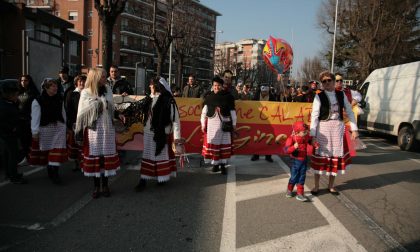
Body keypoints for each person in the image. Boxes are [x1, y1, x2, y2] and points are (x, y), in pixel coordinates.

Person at [75, 68, 124, 198]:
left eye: (105, 76)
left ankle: (106, 185)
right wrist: (101, 104)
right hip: (93, 130)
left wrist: (118, 114)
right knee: (96, 158)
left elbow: (111, 107)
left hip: (107, 128)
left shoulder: (107, 89)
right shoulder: (86, 92)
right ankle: (96, 186)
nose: (105, 78)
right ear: (95, 77)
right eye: (103, 76)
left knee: (105, 158)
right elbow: (82, 112)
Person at [310, 71, 359, 195]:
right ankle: (316, 185)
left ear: (333, 81)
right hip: (323, 129)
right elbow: (314, 116)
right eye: (324, 81)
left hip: (337, 128)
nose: (326, 83)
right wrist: (312, 135)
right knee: (320, 156)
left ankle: (331, 186)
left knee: (334, 157)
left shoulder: (341, 94)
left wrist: (354, 129)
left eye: (329, 80)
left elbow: (349, 111)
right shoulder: (319, 96)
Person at [134, 77, 182, 191]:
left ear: (156, 86)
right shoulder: (148, 99)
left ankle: (162, 177)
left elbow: (175, 120)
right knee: (147, 155)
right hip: (148, 132)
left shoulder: (168, 100)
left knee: (160, 155)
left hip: (161, 133)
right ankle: (143, 179)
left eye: (151, 85)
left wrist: (177, 138)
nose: (149, 87)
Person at [30, 79, 68, 184]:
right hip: (45, 129)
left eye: (56, 86)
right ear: (46, 88)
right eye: (52, 86)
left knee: (57, 151)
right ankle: (50, 170)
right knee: (48, 151)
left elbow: (63, 113)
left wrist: (65, 126)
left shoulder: (60, 98)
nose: (55, 88)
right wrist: (35, 132)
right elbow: (35, 117)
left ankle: (55, 174)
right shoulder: (37, 100)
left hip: (59, 128)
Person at [201, 76, 236, 175]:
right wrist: (203, 123)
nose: (216, 87)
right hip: (212, 125)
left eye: (218, 85)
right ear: (213, 86)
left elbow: (232, 111)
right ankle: (215, 165)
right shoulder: (209, 97)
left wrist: (234, 124)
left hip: (224, 124)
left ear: (222, 86)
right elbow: (204, 112)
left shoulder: (228, 96)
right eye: (215, 85)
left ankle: (223, 165)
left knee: (223, 145)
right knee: (215, 145)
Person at [0, 79, 28, 184]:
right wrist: (12, 128)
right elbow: (2, 122)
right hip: (8, 134)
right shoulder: (3, 105)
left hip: (10, 133)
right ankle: (14, 177)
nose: (17, 95)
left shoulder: (10, 103)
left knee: (8, 154)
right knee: (12, 155)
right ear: (8, 94)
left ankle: (9, 174)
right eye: (15, 94)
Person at [284, 121, 316, 202]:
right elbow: (285, 150)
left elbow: (310, 140)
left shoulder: (305, 137)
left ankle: (300, 193)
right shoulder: (291, 138)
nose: (306, 133)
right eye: (304, 131)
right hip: (295, 161)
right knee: (294, 177)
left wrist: (315, 144)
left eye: (306, 131)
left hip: (304, 160)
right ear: (297, 131)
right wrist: (293, 147)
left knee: (302, 177)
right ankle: (289, 190)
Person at [17, 75, 40, 164]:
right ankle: (26, 157)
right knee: (23, 141)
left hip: (29, 120)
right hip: (20, 120)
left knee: (30, 140)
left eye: (25, 80)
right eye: (22, 80)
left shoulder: (33, 93)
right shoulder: (19, 92)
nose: (23, 82)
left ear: (29, 81)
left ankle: (32, 157)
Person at [65, 75, 86, 171]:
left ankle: (84, 163)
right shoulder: (71, 94)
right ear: (76, 83)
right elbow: (68, 109)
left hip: (86, 123)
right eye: (80, 81)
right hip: (75, 123)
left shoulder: (89, 93)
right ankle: (77, 163)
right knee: (75, 144)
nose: (82, 83)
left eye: (83, 81)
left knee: (84, 144)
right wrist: (71, 123)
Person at [251, 85, 276, 162]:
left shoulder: (272, 97)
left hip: (268, 121)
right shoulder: (256, 96)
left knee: (268, 138)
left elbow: (275, 106)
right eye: (263, 92)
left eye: (265, 92)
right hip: (257, 120)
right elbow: (251, 105)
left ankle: (268, 156)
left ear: (268, 91)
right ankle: (256, 155)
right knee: (257, 137)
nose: (264, 93)